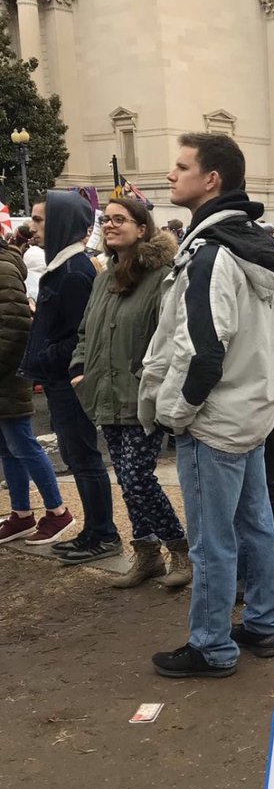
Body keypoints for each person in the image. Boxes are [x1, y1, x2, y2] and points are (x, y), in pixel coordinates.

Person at [138, 133, 274, 677]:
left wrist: (174, 413)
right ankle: (264, 624)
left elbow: (202, 352)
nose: (170, 175)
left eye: (181, 167)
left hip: (215, 418)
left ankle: (211, 645)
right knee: (256, 527)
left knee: (212, 540)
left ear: (211, 180)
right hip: (252, 410)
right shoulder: (263, 248)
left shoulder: (211, 255)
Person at [69, 197, 190, 589]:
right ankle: (147, 553)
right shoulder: (103, 277)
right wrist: (80, 369)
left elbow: (170, 337)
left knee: (138, 477)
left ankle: (180, 548)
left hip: (142, 396)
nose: (110, 224)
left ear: (142, 228)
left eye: (120, 219)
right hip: (104, 392)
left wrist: (151, 381)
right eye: (106, 219)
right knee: (125, 478)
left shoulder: (162, 276)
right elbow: (86, 330)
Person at [18, 193, 122, 563]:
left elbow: (82, 336)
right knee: (76, 456)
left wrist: (44, 356)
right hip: (59, 379)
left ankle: (103, 533)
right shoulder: (63, 268)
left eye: (40, 219)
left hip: (69, 381)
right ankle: (94, 530)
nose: (31, 227)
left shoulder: (73, 271)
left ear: (61, 222)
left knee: (84, 457)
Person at [0, 240, 75, 545]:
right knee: (9, 448)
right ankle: (22, 514)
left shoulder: (3, 268)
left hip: (7, 377)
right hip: (7, 375)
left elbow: (15, 329)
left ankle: (58, 512)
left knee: (23, 444)